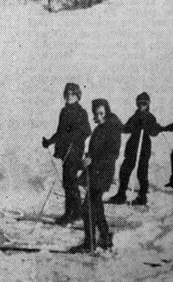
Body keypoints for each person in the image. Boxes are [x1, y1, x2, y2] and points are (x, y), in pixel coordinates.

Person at [69, 99, 122, 253]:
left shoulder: (111, 128)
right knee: (96, 206)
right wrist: (87, 158)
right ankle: (105, 237)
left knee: (88, 208)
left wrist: (93, 159)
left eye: (101, 113)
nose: (98, 117)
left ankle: (89, 243)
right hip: (96, 171)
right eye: (96, 113)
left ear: (107, 111)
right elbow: (95, 150)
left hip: (102, 172)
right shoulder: (101, 128)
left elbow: (112, 153)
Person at [42, 83, 92, 225]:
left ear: (78, 96)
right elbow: (60, 132)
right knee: (69, 182)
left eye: (73, 94)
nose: (70, 97)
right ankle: (74, 212)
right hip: (65, 151)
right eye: (67, 94)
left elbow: (87, 131)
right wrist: (49, 141)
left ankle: (72, 213)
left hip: (75, 150)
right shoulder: (64, 111)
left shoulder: (81, 112)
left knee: (70, 182)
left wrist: (76, 136)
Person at [108, 92, 161, 206]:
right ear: (137, 104)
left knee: (142, 172)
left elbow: (154, 132)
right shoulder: (135, 116)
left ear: (148, 105)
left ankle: (142, 196)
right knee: (125, 170)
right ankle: (121, 194)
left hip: (144, 146)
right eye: (140, 103)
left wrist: (154, 127)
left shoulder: (150, 117)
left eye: (144, 104)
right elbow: (127, 128)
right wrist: (118, 127)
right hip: (132, 146)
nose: (142, 106)